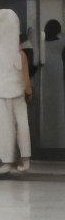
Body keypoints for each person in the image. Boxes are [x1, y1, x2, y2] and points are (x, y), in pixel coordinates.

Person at [0, 7, 32, 177]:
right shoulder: (18, 49)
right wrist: (28, 90)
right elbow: (24, 73)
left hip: (0, 91)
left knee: (4, 127)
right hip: (17, 91)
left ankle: (7, 161)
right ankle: (26, 159)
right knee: (22, 124)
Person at [39, 18, 65, 150]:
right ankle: (59, 141)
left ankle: (47, 140)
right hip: (58, 73)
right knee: (59, 107)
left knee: (46, 107)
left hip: (45, 75)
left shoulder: (41, 43)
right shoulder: (62, 42)